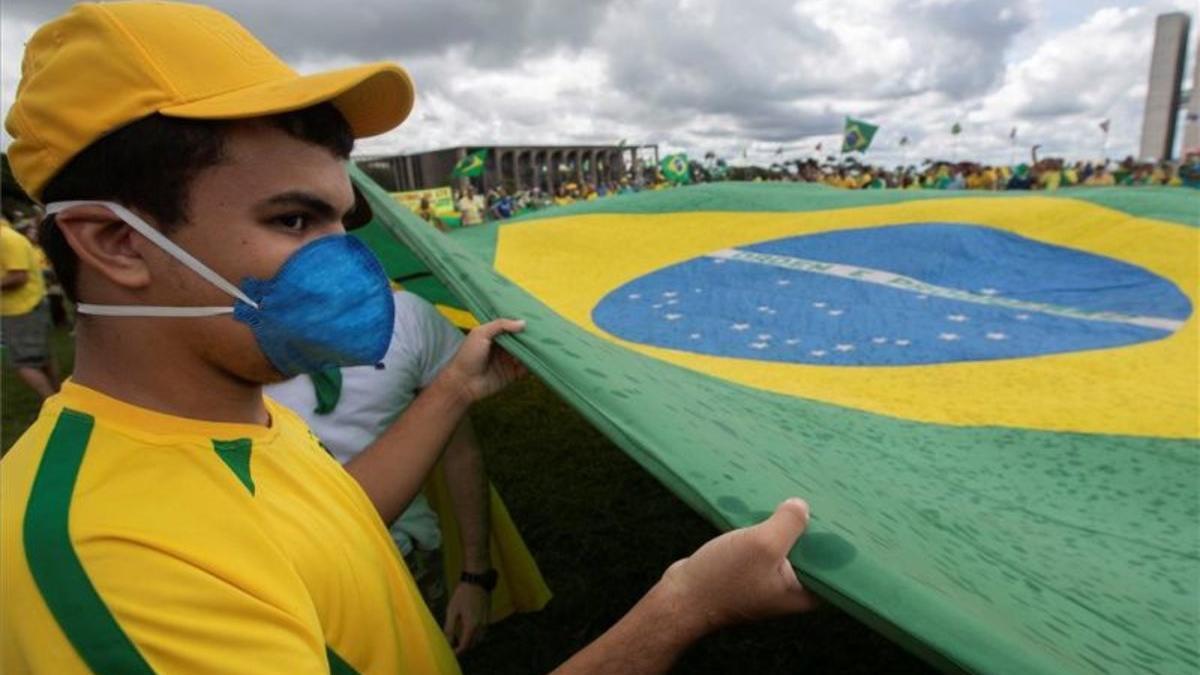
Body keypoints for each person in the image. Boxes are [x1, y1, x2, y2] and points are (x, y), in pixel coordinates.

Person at [2, 4, 818, 674]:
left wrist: (455, 388)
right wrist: (682, 606)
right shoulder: (108, 558)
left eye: (339, 218)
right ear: (114, 244)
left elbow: (322, 525)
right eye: (293, 219)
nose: (349, 258)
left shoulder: (228, 417)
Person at [265, 290, 496, 653]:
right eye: (291, 227)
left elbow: (460, 452)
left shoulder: (405, 316)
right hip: (283, 582)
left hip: (405, 562)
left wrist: (476, 575)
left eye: (339, 227)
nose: (326, 235)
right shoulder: (221, 336)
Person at [1, 214, 60, 399]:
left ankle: (52, 403)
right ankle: (59, 398)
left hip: (23, 308)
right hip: (24, 307)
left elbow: (19, 276)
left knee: (23, 364)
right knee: (41, 358)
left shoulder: (6, 239)